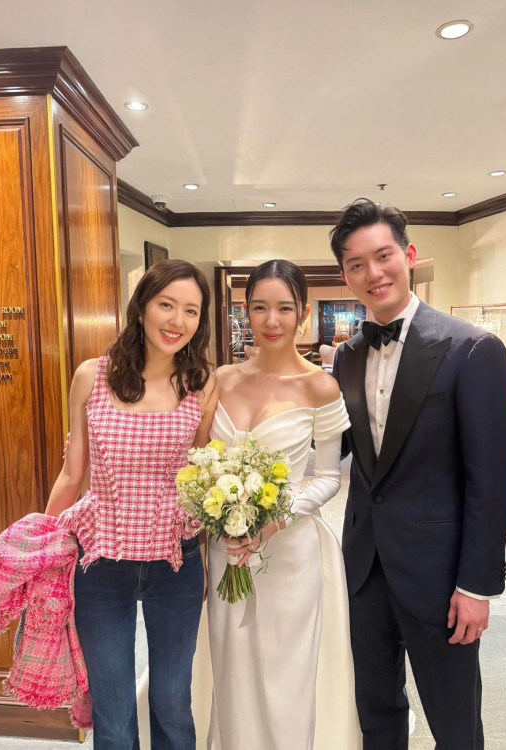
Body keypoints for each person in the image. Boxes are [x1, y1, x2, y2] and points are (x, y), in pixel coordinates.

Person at [330, 200, 506, 750]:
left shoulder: (472, 349)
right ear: (345, 276)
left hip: (441, 576)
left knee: (455, 723)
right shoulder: (346, 357)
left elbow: (490, 482)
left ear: (408, 255)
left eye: (383, 255)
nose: (373, 273)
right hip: (364, 569)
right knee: (376, 713)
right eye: (357, 264)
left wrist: (476, 586)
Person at [45, 259, 217, 750]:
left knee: (171, 700)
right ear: (141, 307)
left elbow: (201, 479)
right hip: (100, 562)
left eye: (190, 310)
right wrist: (42, 544)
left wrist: (206, 556)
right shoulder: (92, 376)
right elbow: (73, 473)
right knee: (113, 709)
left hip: (176, 562)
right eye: (166, 304)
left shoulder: (201, 384)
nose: (177, 320)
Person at [206, 259, 361, 750]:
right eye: (259, 308)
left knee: (284, 676)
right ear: (245, 311)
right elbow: (193, 456)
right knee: (229, 664)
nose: (271, 321)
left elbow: (329, 477)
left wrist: (273, 521)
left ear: (303, 312)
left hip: (290, 553)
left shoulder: (320, 385)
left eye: (284, 308)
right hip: (224, 548)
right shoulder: (221, 379)